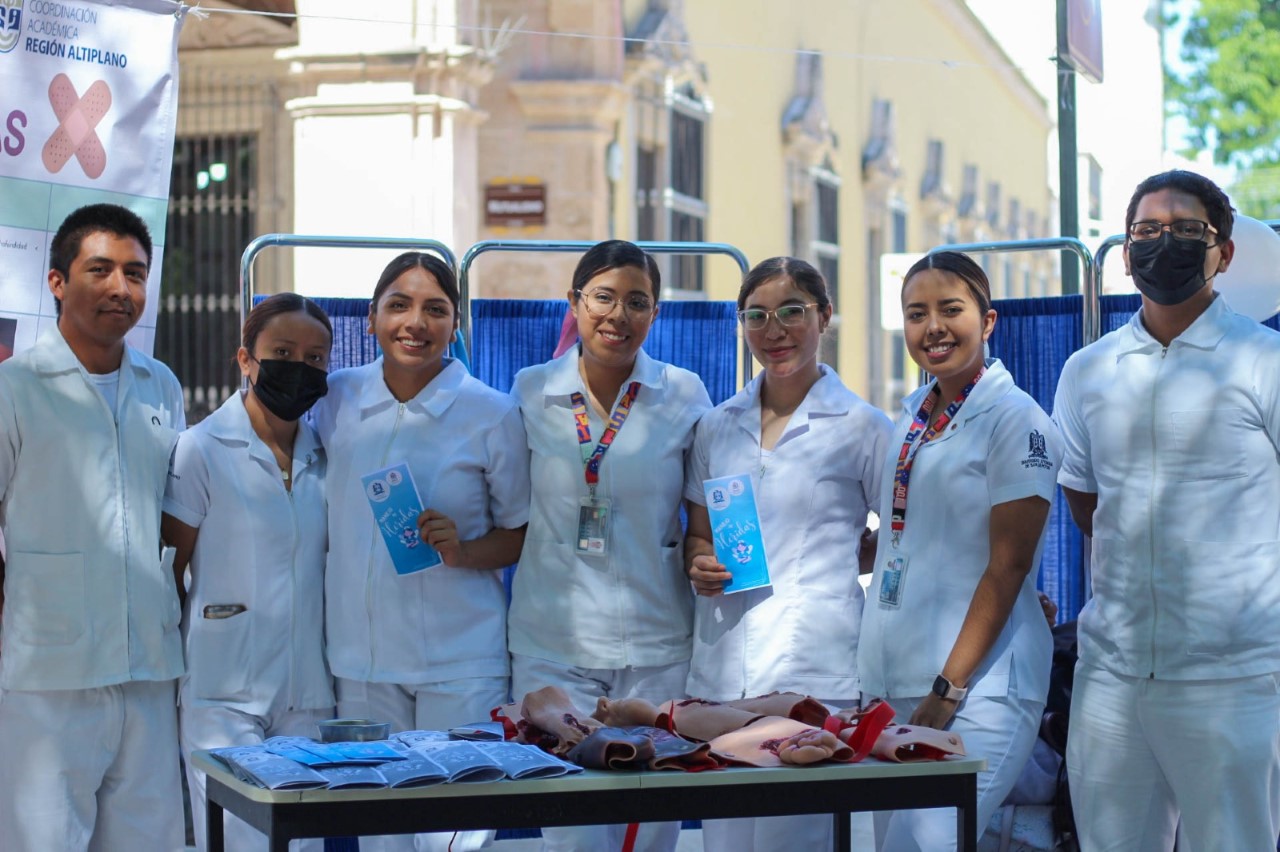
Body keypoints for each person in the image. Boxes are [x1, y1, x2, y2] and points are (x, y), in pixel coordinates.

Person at [1053, 169, 1280, 851]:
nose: (1164, 245)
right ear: (1125, 253)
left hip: (1233, 677)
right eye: (1147, 232)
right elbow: (1087, 503)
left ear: (1225, 253)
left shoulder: (1263, 360)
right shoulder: (1088, 370)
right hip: (1112, 680)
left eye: (1188, 231)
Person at [311, 251, 529, 852]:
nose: (416, 322)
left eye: (436, 309)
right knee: (379, 837)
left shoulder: (492, 412)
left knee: (452, 838)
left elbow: (520, 534)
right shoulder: (335, 399)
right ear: (373, 317)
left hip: (460, 664)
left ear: (456, 322)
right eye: (399, 306)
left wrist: (462, 549)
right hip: (362, 664)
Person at [682, 256, 892, 851]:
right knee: (725, 841)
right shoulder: (716, 426)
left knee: (793, 839)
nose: (773, 331)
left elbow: (905, 531)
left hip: (813, 672)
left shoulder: (862, 425)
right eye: (757, 316)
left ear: (824, 316)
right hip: (723, 667)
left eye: (791, 312)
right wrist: (698, 561)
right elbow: (698, 531)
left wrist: (836, 558)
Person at [508, 239, 712, 852]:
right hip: (554, 643)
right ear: (574, 302)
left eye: (636, 302)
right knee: (572, 833)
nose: (617, 315)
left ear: (656, 314)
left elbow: (705, 509)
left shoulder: (684, 394)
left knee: (650, 831)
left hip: (655, 644)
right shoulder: (529, 391)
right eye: (602, 297)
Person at [857, 250, 1060, 851]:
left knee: (927, 843)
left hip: (976, 688)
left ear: (988, 320)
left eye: (951, 310)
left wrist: (949, 689)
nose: (933, 328)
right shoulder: (913, 418)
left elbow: (1009, 563)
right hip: (895, 680)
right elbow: (907, 537)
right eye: (916, 314)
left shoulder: (1015, 420)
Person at [0, 203, 186, 850]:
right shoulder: (15, 389)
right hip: (49, 676)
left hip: (149, 670)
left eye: (135, 274)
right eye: (100, 270)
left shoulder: (159, 384)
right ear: (56, 282)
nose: (120, 289)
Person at [162, 293, 335, 851]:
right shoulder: (201, 449)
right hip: (223, 687)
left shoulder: (328, 453)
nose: (299, 368)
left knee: (304, 841)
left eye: (314, 359)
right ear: (245, 359)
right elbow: (169, 568)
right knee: (239, 839)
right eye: (282, 352)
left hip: (308, 688)